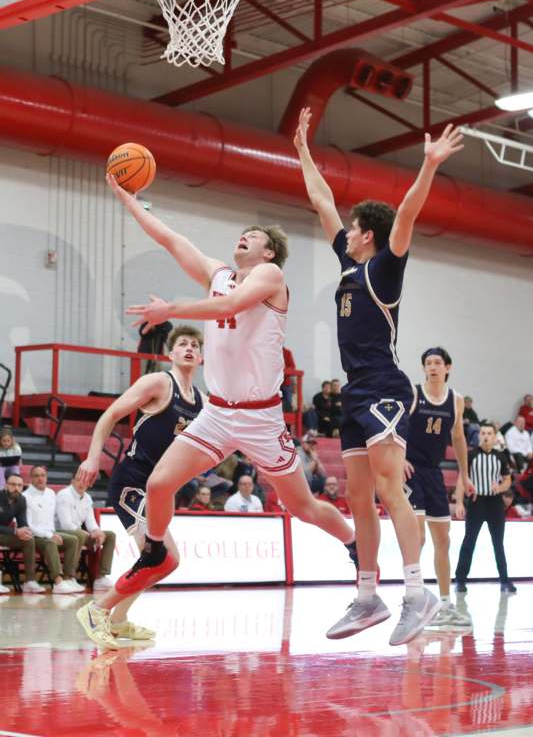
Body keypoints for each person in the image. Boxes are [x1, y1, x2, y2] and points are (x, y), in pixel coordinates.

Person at [98, 172, 357, 600]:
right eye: (241, 235)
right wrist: (130, 203)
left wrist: (171, 310)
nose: (242, 239)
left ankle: (354, 543)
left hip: (260, 416)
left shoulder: (270, 277)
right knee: (159, 485)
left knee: (302, 507)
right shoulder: (218, 274)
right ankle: (156, 551)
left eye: (251, 236)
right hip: (218, 413)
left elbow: (231, 305)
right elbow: (172, 240)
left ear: (268, 250)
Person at [295, 105, 463, 644]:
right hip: (355, 391)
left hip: (387, 388)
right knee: (357, 496)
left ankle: (417, 593)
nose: (342, 231)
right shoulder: (347, 266)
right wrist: (301, 151)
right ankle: (368, 596)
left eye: (352, 227)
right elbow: (321, 200)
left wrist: (430, 166)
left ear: (366, 234)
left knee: (392, 489)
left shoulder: (384, 269)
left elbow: (407, 215)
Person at [76, 325, 204, 649]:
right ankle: (98, 611)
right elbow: (110, 414)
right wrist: (92, 459)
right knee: (162, 558)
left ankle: (118, 620)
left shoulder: (201, 401)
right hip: (132, 483)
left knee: (164, 559)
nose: (189, 348)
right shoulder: (159, 382)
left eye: (194, 345)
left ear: (201, 357)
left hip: (159, 489)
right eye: (182, 344)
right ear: (170, 353)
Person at [404, 347, 475, 628]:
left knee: (443, 539)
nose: (432, 367)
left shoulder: (456, 401)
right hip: (410, 470)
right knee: (418, 535)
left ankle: (445, 604)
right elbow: (396, 428)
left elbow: (458, 439)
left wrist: (464, 475)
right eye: (428, 363)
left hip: (434, 472)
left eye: (437, 363)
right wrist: (399, 461)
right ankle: (416, 601)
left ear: (448, 367)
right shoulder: (413, 393)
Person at [455, 422, 516, 594]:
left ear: (495, 436)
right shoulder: (471, 455)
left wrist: (501, 488)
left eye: (489, 433)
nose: (486, 436)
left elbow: (507, 480)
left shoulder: (501, 456)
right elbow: (461, 479)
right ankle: (460, 580)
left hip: (495, 504)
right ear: (479, 435)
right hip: (476, 502)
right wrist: (459, 502)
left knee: (498, 544)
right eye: (483, 433)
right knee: (469, 542)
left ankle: (505, 581)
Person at [23, 466, 83, 593]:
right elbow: (28, 526)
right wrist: (49, 535)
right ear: (31, 478)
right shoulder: (25, 497)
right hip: (35, 536)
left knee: (73, 539)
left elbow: (56, 517)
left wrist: (56, 533)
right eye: (36, 476)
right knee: (50, 542)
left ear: (46, 477)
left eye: (43, 475)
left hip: (51, 532)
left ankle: (68, 578)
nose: (40, 478)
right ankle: (58, 582)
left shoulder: (51, 493)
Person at [55, 470, 116, 591]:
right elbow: (65, 524)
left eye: (84, 481)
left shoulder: (87, 498)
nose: (81, 484)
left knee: (109, 535)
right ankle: (69, 577)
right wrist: (87, 533)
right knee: (80, 535)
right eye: (78, 480)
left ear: (89, 483)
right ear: (72, 482)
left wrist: (97, 531)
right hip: (60, 532)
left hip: (78, 533)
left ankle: (101, 577)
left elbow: (90, 522)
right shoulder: (64, 495)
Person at [0, 471, 45, 594]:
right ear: (6, 485)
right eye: (13, 484)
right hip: (5, 532)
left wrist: (25, 531)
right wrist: (15, 531)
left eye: (20, 485)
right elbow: (16, 529)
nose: (16, 488)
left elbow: (22, 523)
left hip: (5, 534)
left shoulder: (21, 500)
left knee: (28, 539)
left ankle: (30, 581)